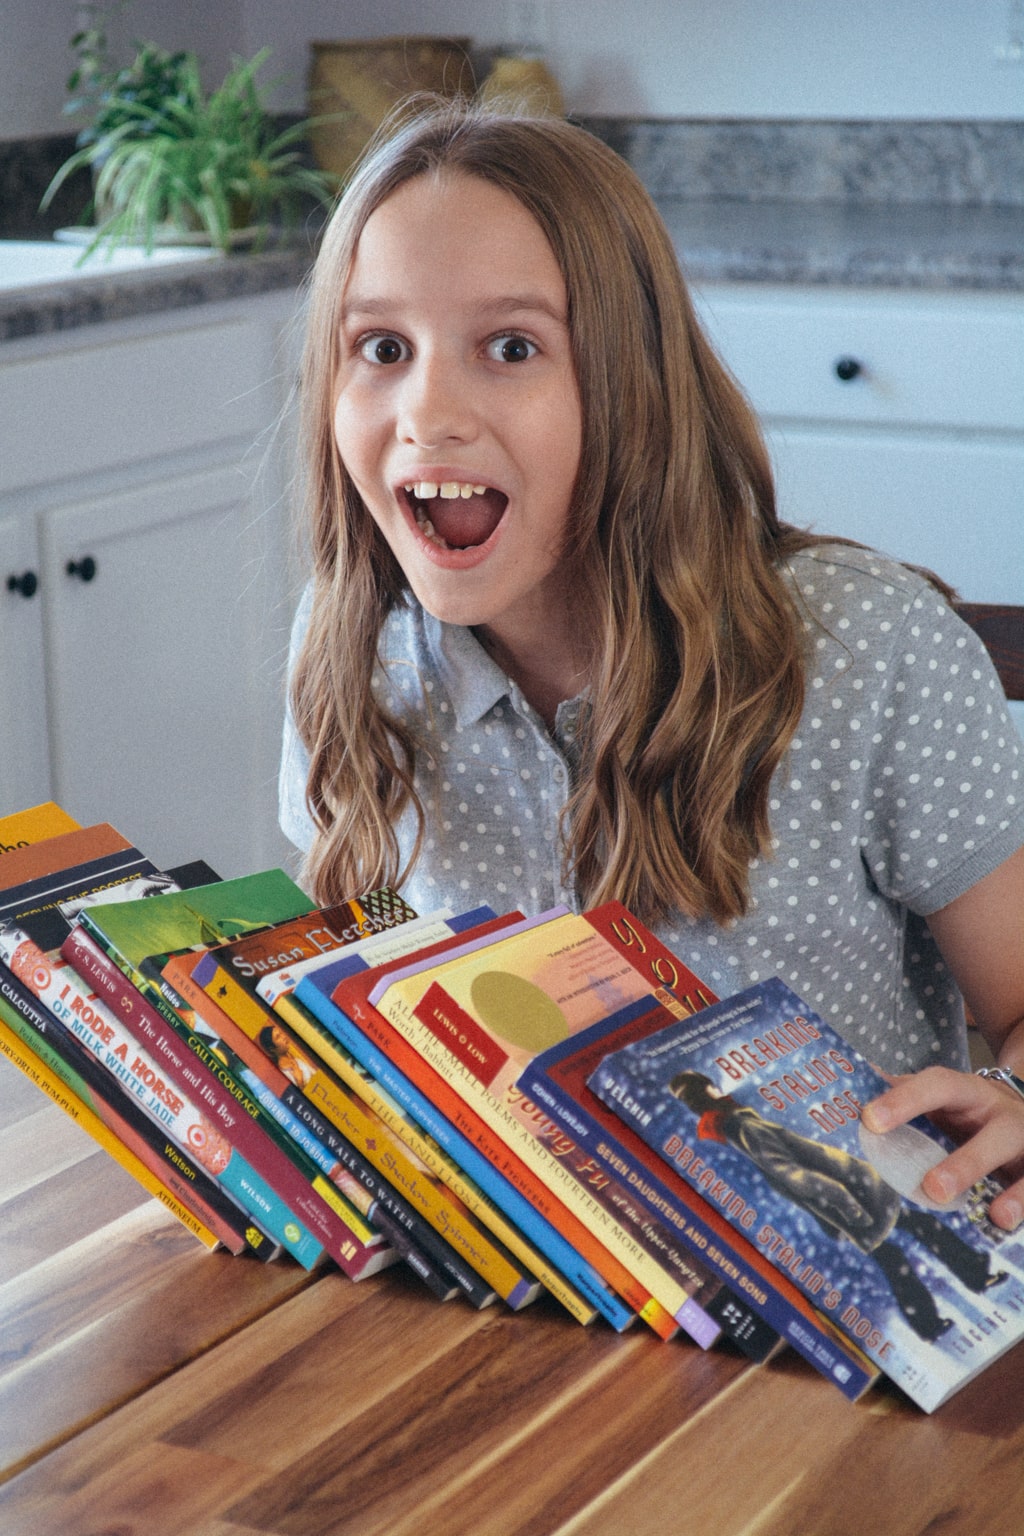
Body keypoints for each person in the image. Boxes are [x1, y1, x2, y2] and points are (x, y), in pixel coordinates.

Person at [278, 101, 1024, 1231]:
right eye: (382, 349)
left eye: (512, 347)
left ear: (631, 387)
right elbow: (349, 996)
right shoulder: (355, 653)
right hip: (525, 1286)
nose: (426, 411)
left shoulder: (868, 653)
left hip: (840, 1308)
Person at [668, 1071, 1005, 1341]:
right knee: (900, 1251)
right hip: (852, 1200)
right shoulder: (742, 1126)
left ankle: (947, 1304)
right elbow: (793, 1175)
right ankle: (941, 1310)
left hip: (856, 1196)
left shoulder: (740, 1122)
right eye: (712, 1087)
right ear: (708, 1093)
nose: (720, 1088)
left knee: (905, 1245)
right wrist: (845, 1204)